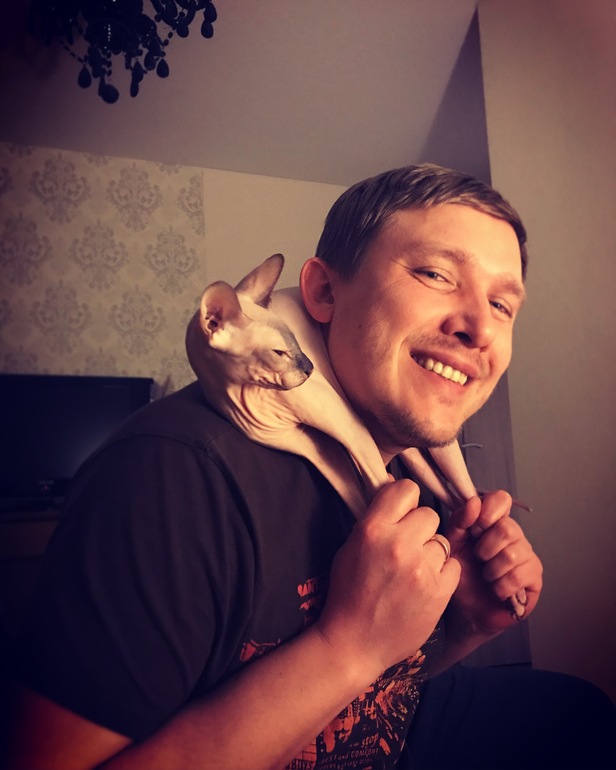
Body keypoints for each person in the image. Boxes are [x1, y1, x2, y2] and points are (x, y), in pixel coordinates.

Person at [3, 164, 614, 770]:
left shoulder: (402, 458)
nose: (480, 328)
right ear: (322, 292)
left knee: (582, 715)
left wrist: (465, 626)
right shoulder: (168, 479)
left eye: (502, 304)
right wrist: (345, 647)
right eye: (435, 274)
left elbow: (379, 697)